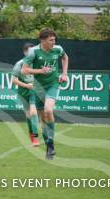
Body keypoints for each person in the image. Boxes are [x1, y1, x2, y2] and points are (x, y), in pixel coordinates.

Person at [21, 28, 69, 159]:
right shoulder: (33, 52)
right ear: (42, 40)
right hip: (38, 88)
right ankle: (49, 146)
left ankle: (51, 143)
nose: (53, 42)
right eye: (50, 40)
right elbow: (24, 70)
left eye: (54, 40)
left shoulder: (57, 49)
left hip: (53, 84)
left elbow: (65, 57)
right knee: (42, 119)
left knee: (48, 110)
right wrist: (40, 71)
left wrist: (64, 74)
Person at [12, 43, 40, 147]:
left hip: (34, 90)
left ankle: (36, 138)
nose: (32, 53)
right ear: (24, 52)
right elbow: (14, 80)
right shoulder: (19, 64)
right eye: (29, 51)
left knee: (33, 112)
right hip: (23, 91)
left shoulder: (37, 62)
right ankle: (32, 134)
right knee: (28, 115)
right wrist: (26, 85)